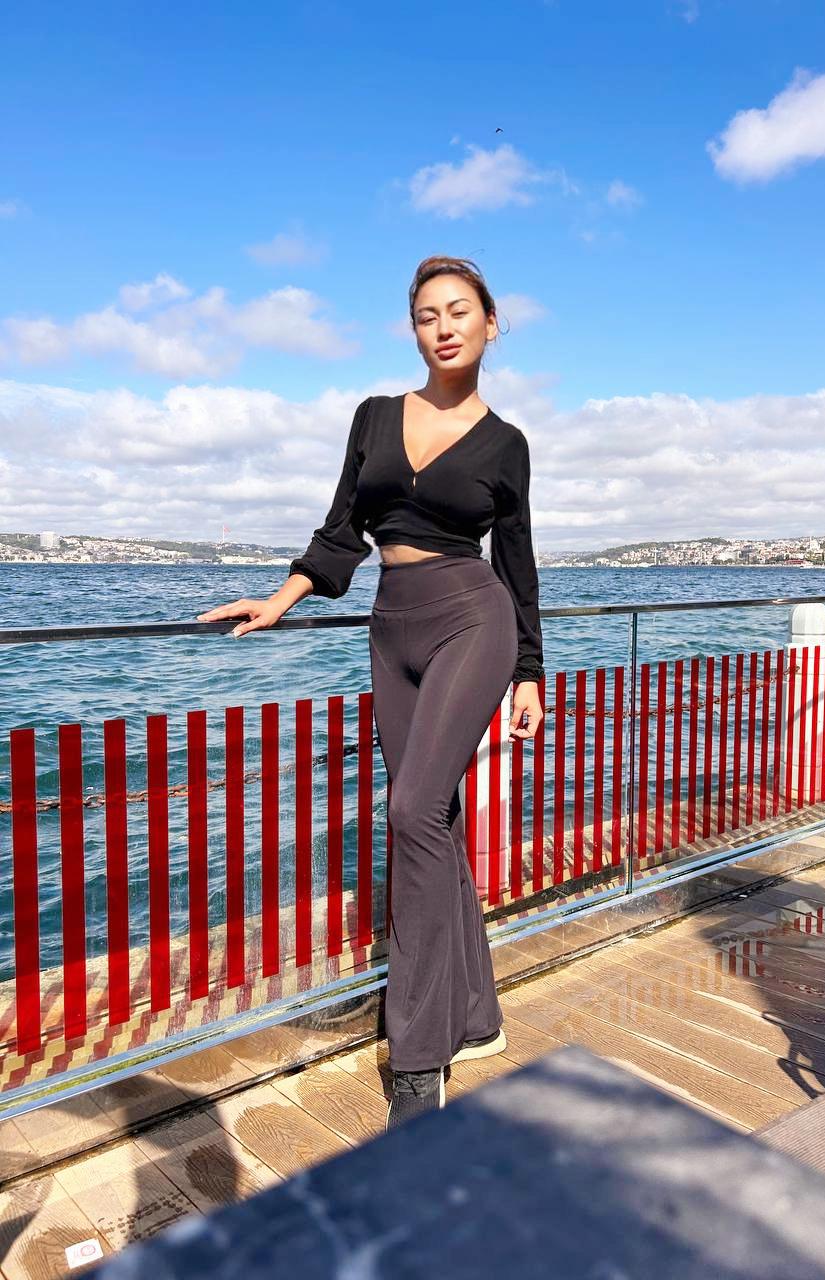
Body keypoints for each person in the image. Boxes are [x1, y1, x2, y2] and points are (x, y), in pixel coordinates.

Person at [196, 255, 545, 1130]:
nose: (444, 326)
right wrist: (280, 599)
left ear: (491, 323)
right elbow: (342, 526)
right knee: (436, 820)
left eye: (459, 311)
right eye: (428, 315)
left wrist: (530, 671)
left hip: (472, 618)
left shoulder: (506, 443)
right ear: (414, 329)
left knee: (412, 810)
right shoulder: (376, 416)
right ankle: (477, 1016)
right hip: (392, 626)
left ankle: (419, 1059)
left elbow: (517, 560)